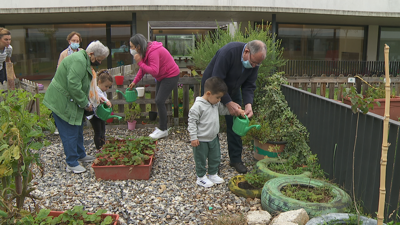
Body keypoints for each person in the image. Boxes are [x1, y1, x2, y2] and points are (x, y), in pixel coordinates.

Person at [43, 40, 109, 174]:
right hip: (61, 100)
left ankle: (80, 154)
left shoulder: (84, 60)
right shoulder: (79, 61)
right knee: (70, 130)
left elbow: (86, 84)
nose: (100, 63)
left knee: (78, 126)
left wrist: (96, 97)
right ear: (91, 54)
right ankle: (71, 163)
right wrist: (85, 104)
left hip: (70, 99)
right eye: (99, 59)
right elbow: (73, 85)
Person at [201, 40, 267, 174]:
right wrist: (228, 103)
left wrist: (248, 104)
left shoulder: (255, 63)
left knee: (237, 122)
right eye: (253, 62)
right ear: (246, 52)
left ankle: (236, 159)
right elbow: (217, 79)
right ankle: (213, 163)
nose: (254, 66)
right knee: (211, 125)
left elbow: (249, 85)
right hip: (212, 89)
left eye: (257, 64)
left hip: (233, 89)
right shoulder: (228, 52)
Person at [188, 77, 245, 187]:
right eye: (218, 97)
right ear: (208, 93)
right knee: (201, 159)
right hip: (201, 140)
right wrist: (193, 137)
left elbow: (223, 110)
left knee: (215, 157)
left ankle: (212, 174)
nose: (219, 100)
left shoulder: (214, 103)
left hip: (213, 137)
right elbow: (192, 122)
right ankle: (201, 177)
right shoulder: (198, 106)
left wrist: (236, 111)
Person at [128, 33, 180, 139]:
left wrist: (139, 63)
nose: (131, 49)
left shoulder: (153, 52)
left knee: (159, 101)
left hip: (171, 75)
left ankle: (163, 129)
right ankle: (162, 128)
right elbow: (143, 69)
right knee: (158, 100)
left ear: (138, 46)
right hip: (163, 76)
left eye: (131, 46)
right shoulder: (146, 51)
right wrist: (135, 81)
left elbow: (154, 71)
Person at [88, 69, 113, 151]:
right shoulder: (96, 90)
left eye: (109, 87)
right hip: (94, 115)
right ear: (99, 82)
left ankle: (103, 145)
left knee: (103, 131)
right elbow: (102, 98)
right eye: (106, 86)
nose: (107, 88)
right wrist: (108, 102)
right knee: (98, 132)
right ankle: (99, 148)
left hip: (99, 115)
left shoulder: (102, 91)